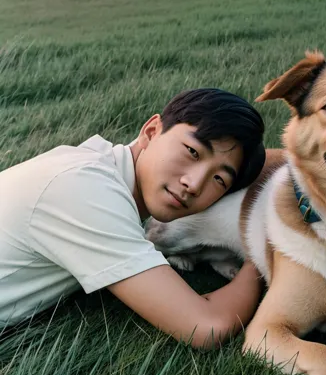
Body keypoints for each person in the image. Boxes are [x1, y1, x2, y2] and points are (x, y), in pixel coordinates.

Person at [0, 88, 266, 347]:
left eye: (219, 179)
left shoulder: (94, 164)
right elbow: (206, 327)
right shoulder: (88, 193)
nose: (195, 184)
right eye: (193, 152)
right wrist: (261, 256)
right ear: (151, 132)